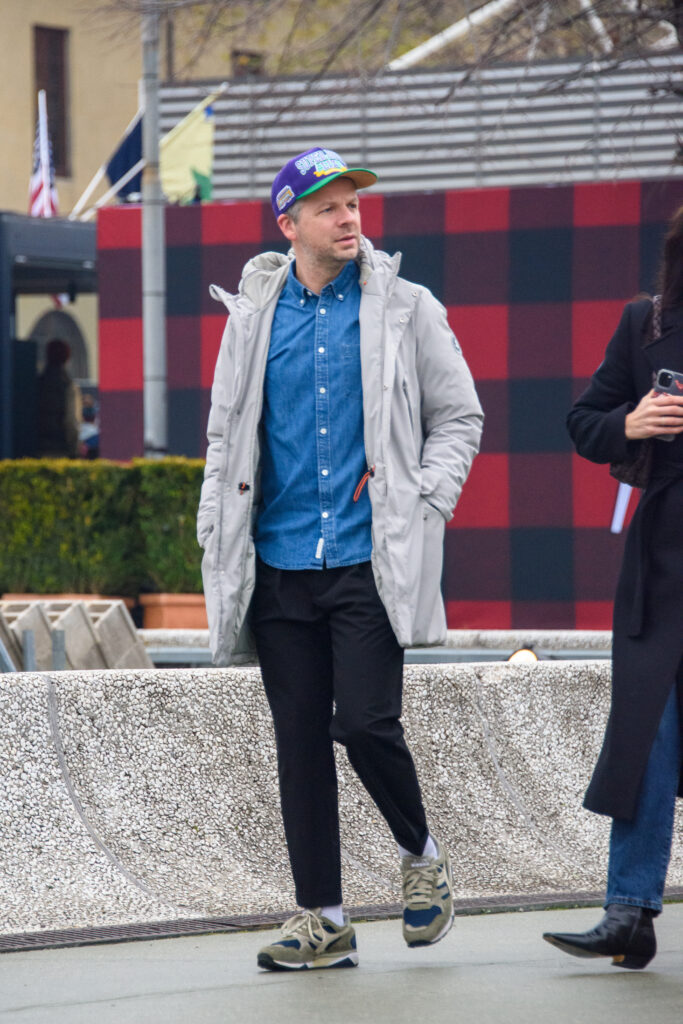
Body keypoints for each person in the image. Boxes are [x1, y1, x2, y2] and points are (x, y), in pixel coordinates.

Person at [197, 147, 483, 971]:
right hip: (278, 566)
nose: (348, 217)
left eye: (353, 203)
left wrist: (424, 501)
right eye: (327, 207)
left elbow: (458, 417)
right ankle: (322, 919)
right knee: (297, 746)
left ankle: (420, 855)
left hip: (366, 560)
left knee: (362, 724)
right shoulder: (252, 319)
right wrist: (214, 526)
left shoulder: (408, 308)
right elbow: (223, 436)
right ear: (288, 225)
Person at [543, 205, 683, 970]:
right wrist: (631, 422)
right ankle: (627, 910)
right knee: (645, 732)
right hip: (660, 566)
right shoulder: (644, 322)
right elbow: (582, 420)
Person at [37, 338, 81, 458]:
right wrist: (74, 450)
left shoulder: (38, 384)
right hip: (61, 450)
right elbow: (71, 421)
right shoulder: (67, 385)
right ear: (67, 358)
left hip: (38, 449)